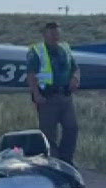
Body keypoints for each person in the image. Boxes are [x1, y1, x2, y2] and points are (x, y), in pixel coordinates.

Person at [26, 20, 81, 163]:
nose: (55, 36)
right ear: (44, 35)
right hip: (47, 98)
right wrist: (36, 94)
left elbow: (75, 68)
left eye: (57, 33)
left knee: (72, 128)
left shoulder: (65, 49)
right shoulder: (37, 51)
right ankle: (53, 160)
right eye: (52, 33)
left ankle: (66, 159)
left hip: (65, 96)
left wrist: (75, 78)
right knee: (48, 133)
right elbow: (31, 74)